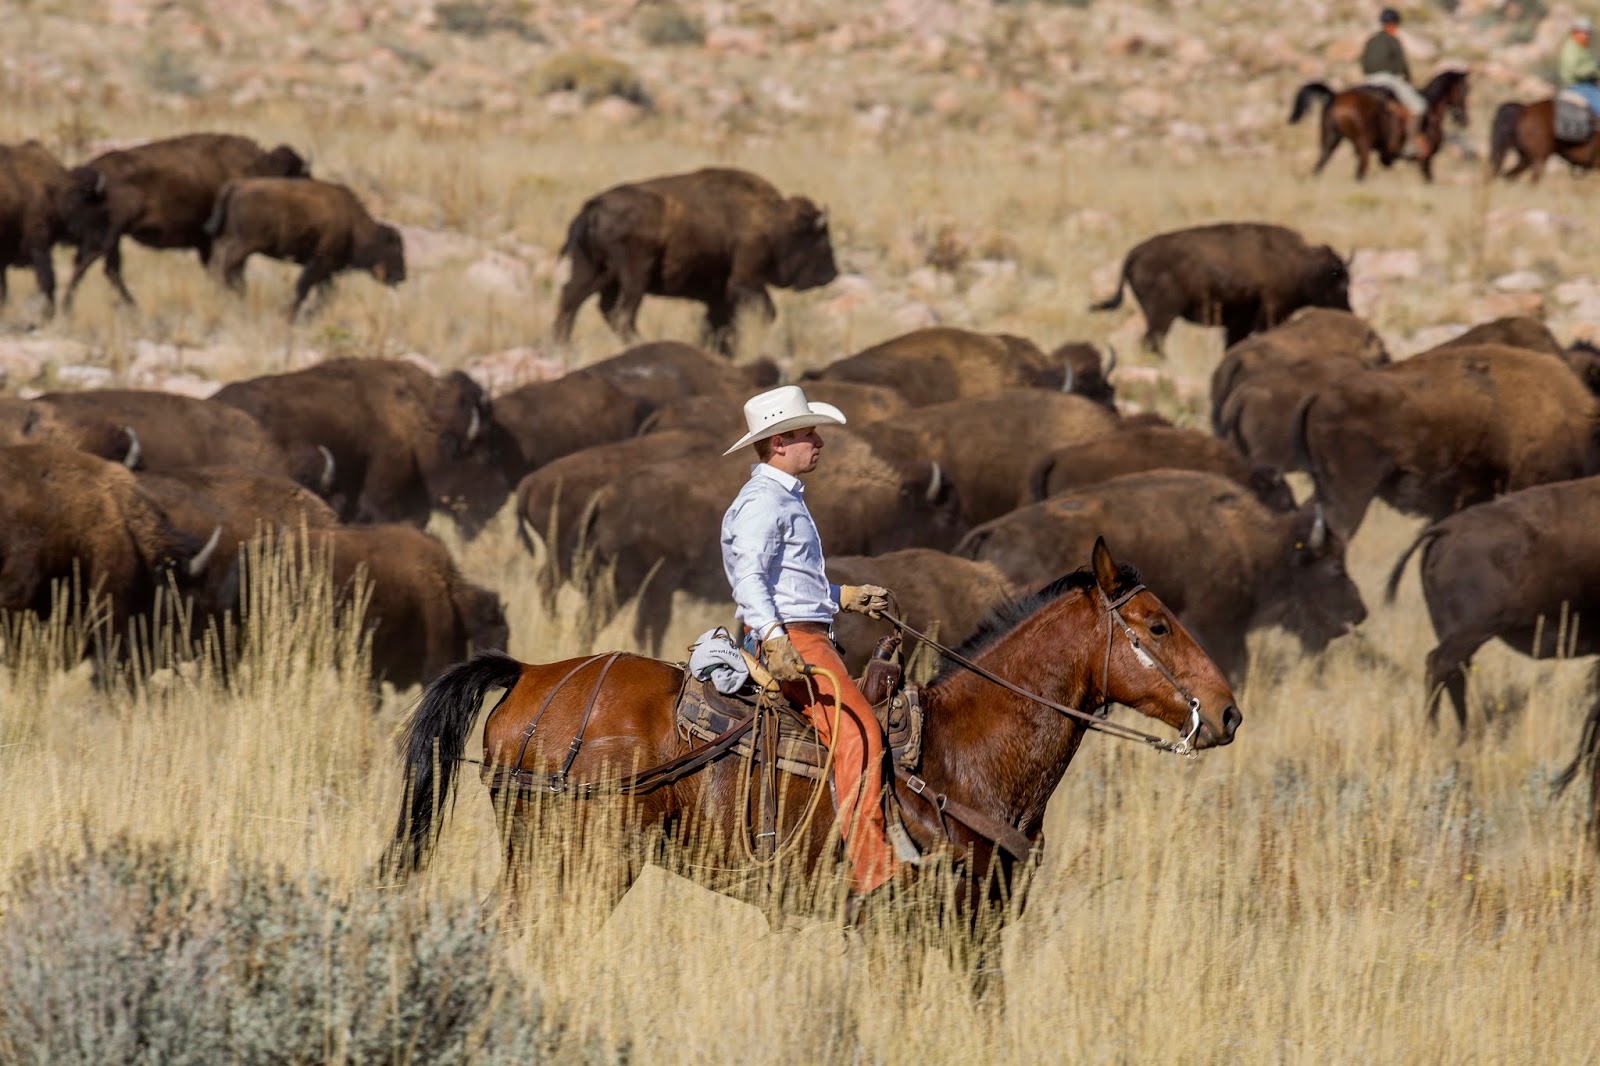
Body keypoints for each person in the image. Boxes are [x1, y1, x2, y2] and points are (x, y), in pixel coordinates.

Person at [719, 385, 900, 905]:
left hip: (803, 629)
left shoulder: (781, 497)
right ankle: (872, 873)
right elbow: (749, 579)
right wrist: (775, 640)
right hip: (795, 640)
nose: (818, 441)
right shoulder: (763, 503)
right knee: (860, 735)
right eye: (807, 434)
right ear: (778, 443)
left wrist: (844, 596)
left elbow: (785, 580)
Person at [1360, 7, 1429, 158]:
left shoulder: (1371, 40)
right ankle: (1410, 143)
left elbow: (1364, 63)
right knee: (1418, 106)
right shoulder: (1393, 40)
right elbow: (1401, 65)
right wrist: (1408, 79)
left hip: (1368, 80)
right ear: (1394, 24)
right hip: (1387, 79)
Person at [1560, 17, 1600, 118]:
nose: (1586, 35)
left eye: (1587, 32)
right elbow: (1574, 70)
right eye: (1583, 32)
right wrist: (1593, 69)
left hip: (1588, 84)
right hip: (1579, 85)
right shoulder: (1571, 47)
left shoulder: (1582, 46)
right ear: (1576, 32)